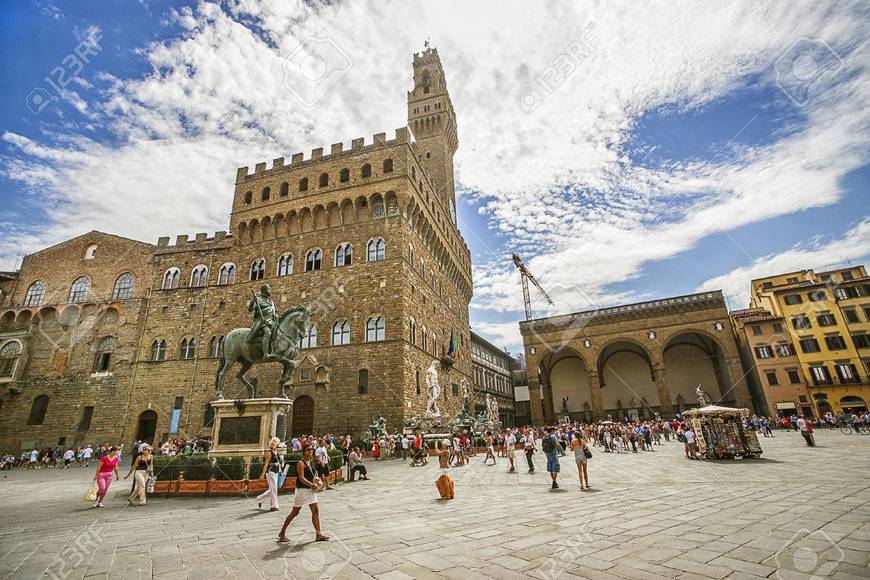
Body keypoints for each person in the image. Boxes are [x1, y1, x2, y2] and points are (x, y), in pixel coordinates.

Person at [277, 445, 329, 543]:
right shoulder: (301, 463)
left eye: (312, 450)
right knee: (295, 511)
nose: (310, 451)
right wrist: (311, 484)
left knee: (316, 510)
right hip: (302, 490)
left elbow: (313, 475)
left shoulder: (311, 462)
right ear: (304, 451)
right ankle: (282, 532)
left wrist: (317, 480)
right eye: (308, 450)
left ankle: (318, 534)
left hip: (310, 490)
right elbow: (301, 477)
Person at [257, 437, 283, 512]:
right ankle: (274, 506)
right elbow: (266, 464)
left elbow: (278, 462)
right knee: (274, 489)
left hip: (276, 472)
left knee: (272, 489)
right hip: (270, 472)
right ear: (275, 443)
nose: (279, 444)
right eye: (278, 443)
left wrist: (280, 471)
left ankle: (260, 498)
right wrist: (263, 474)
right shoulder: (269, 452)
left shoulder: (276, 451)